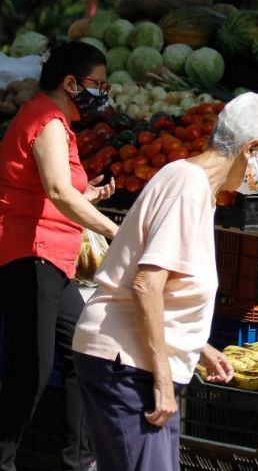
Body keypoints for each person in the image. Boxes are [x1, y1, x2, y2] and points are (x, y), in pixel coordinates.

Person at [71, 92, 258, 471]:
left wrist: (198, 347)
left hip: (131, 360)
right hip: (128, 364)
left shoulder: (194, 188)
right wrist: (161, 379)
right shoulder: (187, 188)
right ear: (250, 148)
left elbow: (166, 287)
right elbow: (146, 285)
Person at [0, 41, 119, 471]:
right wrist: (112, 230)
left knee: (81, 353)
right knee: (31, 371)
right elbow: (55, 190)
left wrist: (86, 196)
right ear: (70, 82)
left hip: (51, 259)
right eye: (97, 84)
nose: (103, 93)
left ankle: (78, 459)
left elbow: (51, 190)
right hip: (33, 255)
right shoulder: (47, 119)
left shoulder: (50, 120)